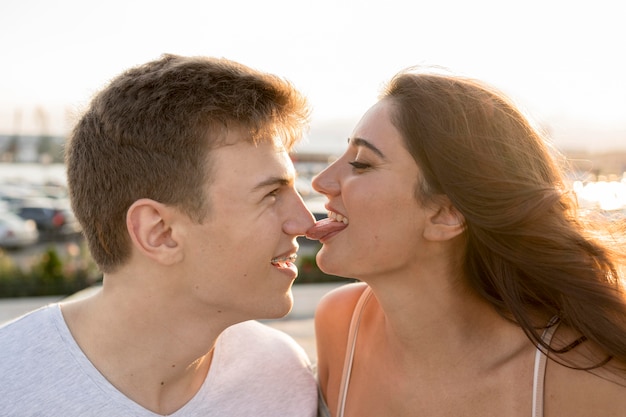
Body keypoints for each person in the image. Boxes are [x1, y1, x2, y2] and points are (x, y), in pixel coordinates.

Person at [0, 54, 319, 416]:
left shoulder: (280, 377)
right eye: (271, 195)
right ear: (160, 233)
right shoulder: (8, 385)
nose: (305, 222)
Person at [308, 68, 626, 417]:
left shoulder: (587, 377)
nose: (322, 181)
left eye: (362, 164)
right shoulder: (339, 325)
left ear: (446, 214)